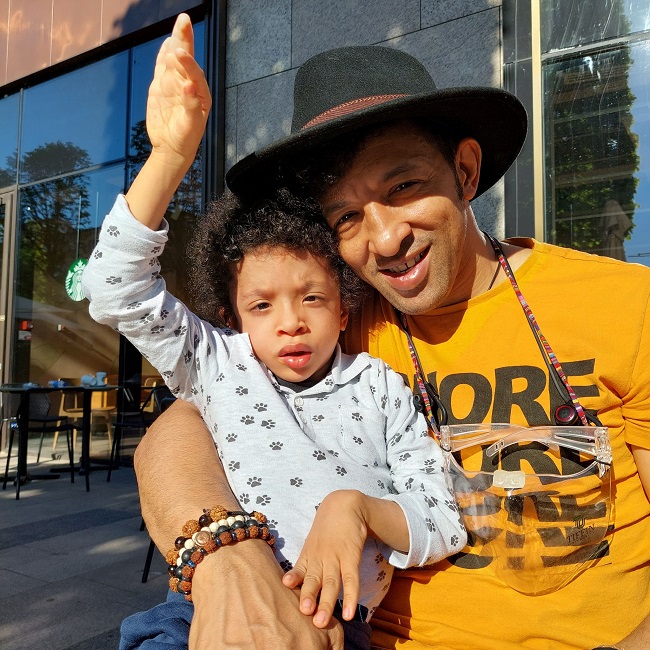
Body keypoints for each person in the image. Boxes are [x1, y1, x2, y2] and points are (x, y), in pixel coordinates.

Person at [133, 12, 650, 650]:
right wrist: (224, 555)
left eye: (403, 187)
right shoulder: (334, 326)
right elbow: (174, 434)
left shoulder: (624, 305)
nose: (384, 239)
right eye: (347, 216)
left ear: (465, 171)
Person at [81, 19, 466, 649]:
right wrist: (170, 157)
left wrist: (359, 510)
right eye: (261, 305)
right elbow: (113, 288)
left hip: (339, 625)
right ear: (233, 316)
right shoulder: (218, 362)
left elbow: (443, 520)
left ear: (345, 309)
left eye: (312, 297)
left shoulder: (380, 386)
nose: (290, 321)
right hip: (201, 612)